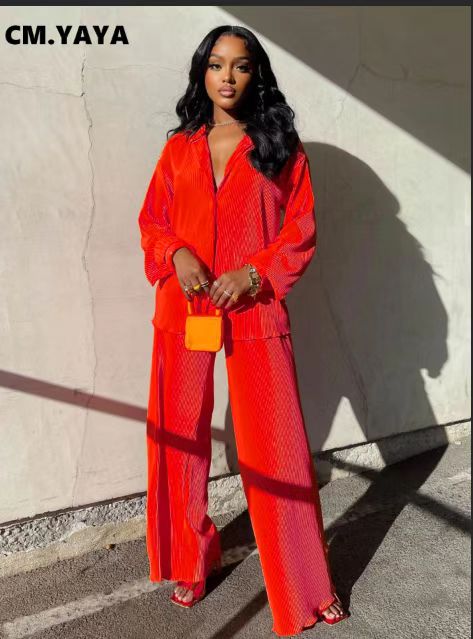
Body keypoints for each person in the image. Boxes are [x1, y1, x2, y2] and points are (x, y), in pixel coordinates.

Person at [138, 24, 350, 637]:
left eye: (241, 65)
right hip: (184, 308)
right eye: (216, 64)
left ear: (257, 75)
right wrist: (177, 253)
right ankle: (189, 559)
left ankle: (306, 584)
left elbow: (301, 230)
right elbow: (152, 222)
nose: (227, 76)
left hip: (253, 307)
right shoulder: (179, 149)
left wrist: (254, 273)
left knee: (277, 448)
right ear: (201, 72)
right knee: (178, 440)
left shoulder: (279, 146)